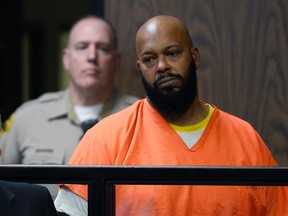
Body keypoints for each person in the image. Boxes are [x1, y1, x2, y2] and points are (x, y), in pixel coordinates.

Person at [54, 15, 288, 215]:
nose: (162, 66)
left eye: (172, 53)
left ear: (194, 57)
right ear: (140, 68)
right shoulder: (105, 138)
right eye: (149, 59)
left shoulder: (245, 139)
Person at [0, 15, 138, 197]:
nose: (91, 56)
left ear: (117, 60)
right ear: (66, 59)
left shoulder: (139, 118)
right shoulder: (28, 117)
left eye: (102, 48)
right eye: (82, 47)